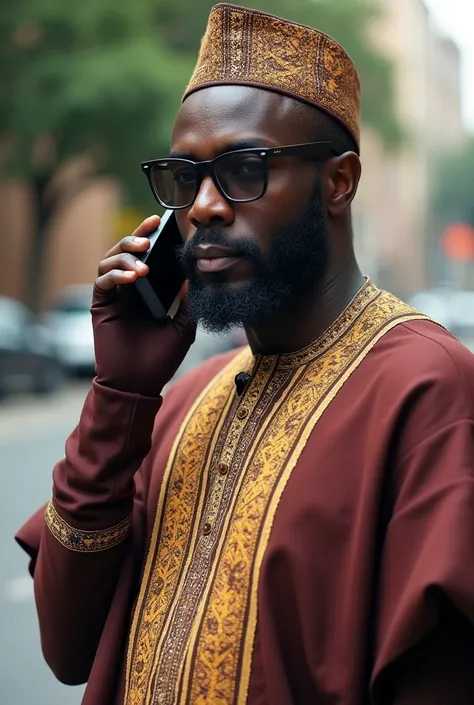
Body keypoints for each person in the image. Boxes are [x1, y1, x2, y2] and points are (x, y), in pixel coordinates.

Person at [16, 4, 474, 704]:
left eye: (243, 169)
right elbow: (66, 646)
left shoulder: (427, 390)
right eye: (185, 177)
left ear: (338, 182)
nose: (203, 206)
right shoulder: (177, 402)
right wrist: (120, 391)